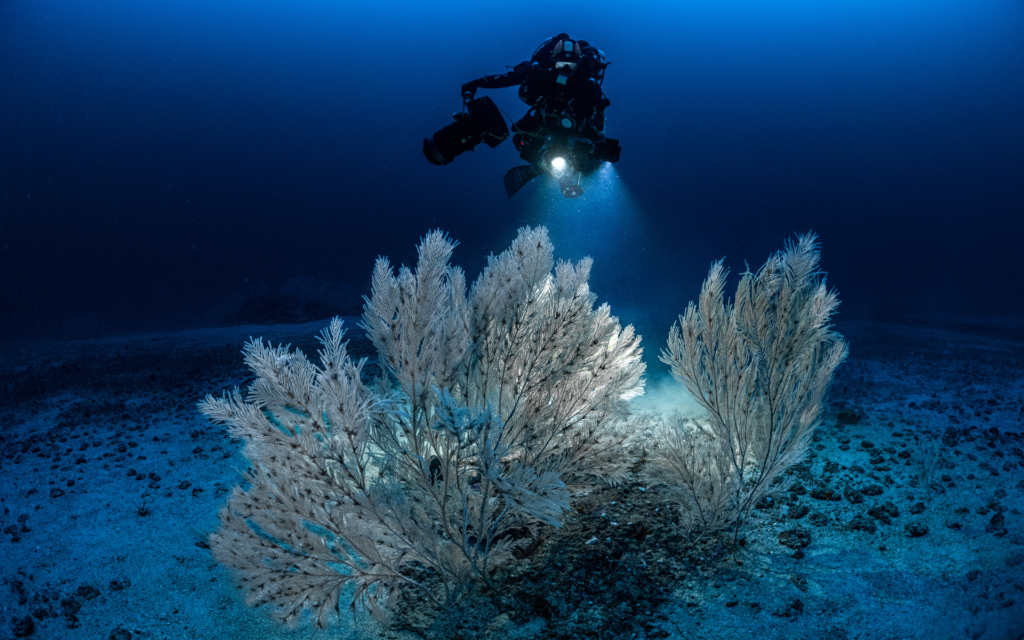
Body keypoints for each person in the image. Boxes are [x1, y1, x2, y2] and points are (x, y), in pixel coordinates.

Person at [460, 34, 611, 166]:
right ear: (553, 61)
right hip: (546, 113)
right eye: (561, 65)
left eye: (570, 66)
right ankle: (543, 163)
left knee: (591, 138)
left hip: (576, 119)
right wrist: (476, 83)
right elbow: (506, 79)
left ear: (578, 65)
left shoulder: (586, 81)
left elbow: (596, 104)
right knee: (523, 147)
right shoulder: (540, 72)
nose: (565, 70)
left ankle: (581, 159)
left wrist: (591, 118)